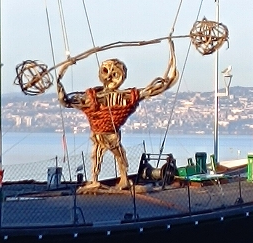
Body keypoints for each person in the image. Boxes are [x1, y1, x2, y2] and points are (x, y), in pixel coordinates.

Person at [57, 40, 177, 189]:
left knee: (118, 155)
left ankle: (122, 179)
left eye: (114, 74)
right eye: (106, 72)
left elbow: (155, 88)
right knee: (98, 155)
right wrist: (61, 75)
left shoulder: (125, 97)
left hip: (111, 134)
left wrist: (172, 60)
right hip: (99, 134)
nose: (109, 78)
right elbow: (66, 101)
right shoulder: (92, 97)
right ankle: (96, 179)